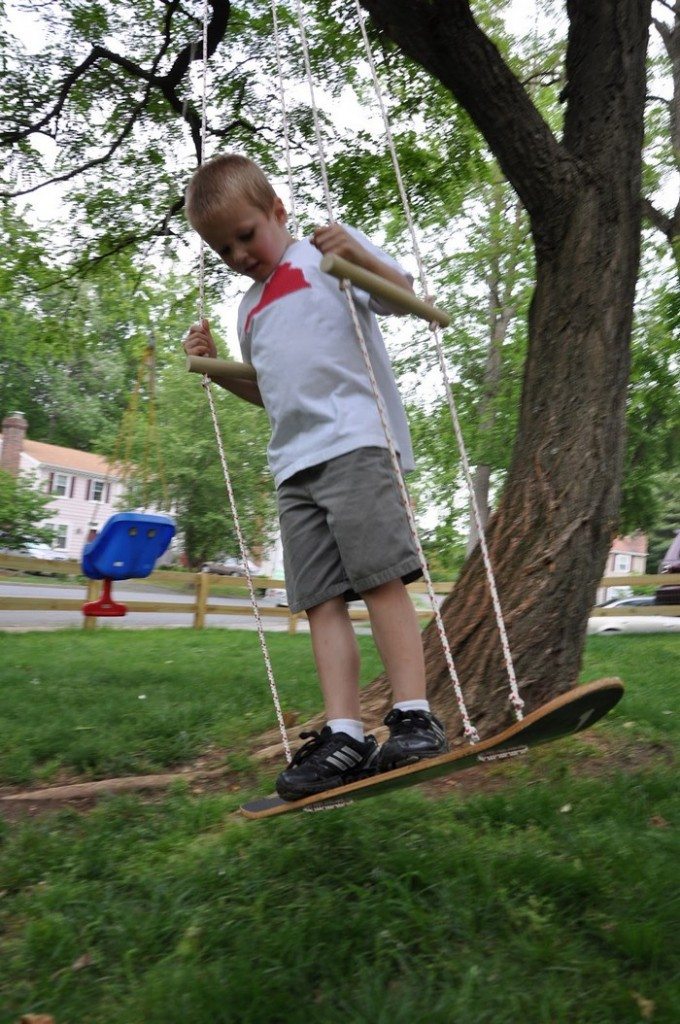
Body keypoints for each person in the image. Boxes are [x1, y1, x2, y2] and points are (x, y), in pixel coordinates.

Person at [183, 153, 448, 800]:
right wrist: (217, 366)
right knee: (320, 602)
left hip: (356, 444)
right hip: (293, 466)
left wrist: (359, 253)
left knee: (380, 578)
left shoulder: (326, 257)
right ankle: (344, 735)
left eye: (247, 234)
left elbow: (411, 300)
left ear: (279, 211)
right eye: (224, 249)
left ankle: (414, 715)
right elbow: (270, 392)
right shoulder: (248, 311)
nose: (240, 253)